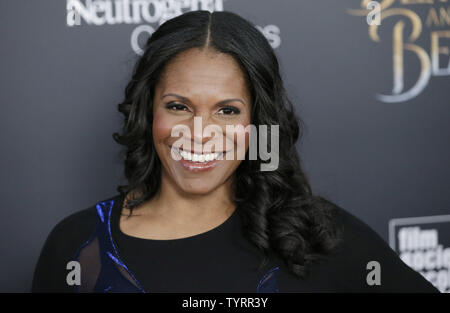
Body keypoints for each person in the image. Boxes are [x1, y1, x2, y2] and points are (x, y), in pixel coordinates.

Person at [31, 10, 439, 293]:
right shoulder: (77, 245)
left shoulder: (316, 235)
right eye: (178, 106)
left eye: (227, 111)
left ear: (257, 124)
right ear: (147, 110)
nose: (201, 133)